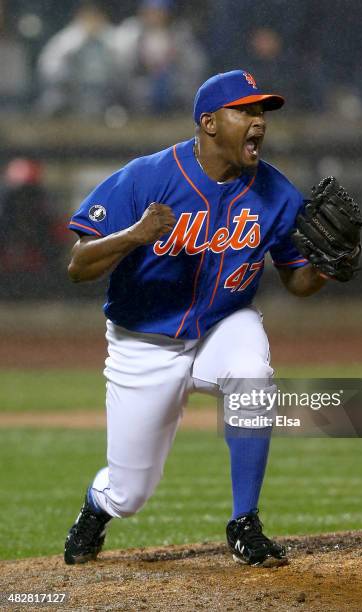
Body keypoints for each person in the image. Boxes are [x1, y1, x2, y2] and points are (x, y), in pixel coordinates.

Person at [64, 69, 327, 567]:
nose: (258, 123)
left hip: (223, 326)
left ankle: (244, 523)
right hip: (143, 343)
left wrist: (330, 268)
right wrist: (133, 236)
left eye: (261, 113)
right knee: (130, 493)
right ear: (209, 122)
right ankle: (98, 506)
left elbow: (298, 281)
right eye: (245, 111)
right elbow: (78, 265)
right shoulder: (148, 177)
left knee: (253, 376)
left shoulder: (276, 193)